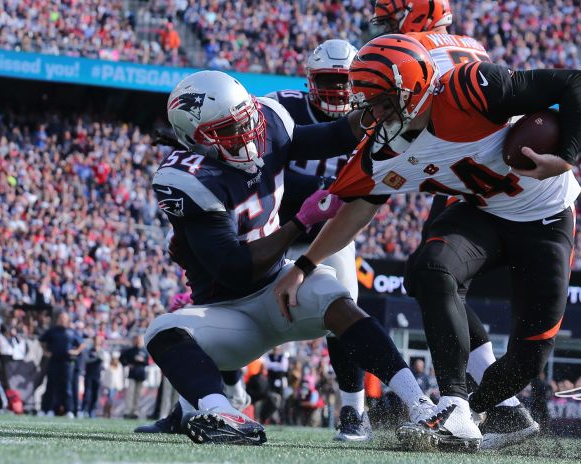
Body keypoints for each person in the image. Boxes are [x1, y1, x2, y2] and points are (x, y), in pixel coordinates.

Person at [274, 34, 581, 450]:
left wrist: (566, 156)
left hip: (547, 219)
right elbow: (356, 208)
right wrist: (304, 266)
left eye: (381, 102)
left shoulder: (471, 89)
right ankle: (454, 406)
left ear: (412, 89)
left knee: (528, 360)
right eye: (367, 103)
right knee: (429, 268)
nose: (373, 114)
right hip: (482, 213)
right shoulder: (381, 150)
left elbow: (576, 82)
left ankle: (486, 412)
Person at [142, 70, 434, 445]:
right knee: (162, 331)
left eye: (247, 120)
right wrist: (301, 222)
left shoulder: (269, 121)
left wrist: (374, 113)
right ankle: (223, 414)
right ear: (197, 139)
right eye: (231, 130)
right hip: (230, 314)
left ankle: (420, 404)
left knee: (337, 299)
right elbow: (236, 269)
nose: (248, 133)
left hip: (279, 290)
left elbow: (331, 135)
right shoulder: (187, 179)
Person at [368, 0, 541, 450]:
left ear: (417, 15)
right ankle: (504, 408)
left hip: (466, 172)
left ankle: (482, 406)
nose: (385, 29)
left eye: (391, 20)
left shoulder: (417, 51)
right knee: (429, 277)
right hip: (475, 169)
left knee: (432, 274)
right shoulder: (470, 45)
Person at [269, 39, 371, 442]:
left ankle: (354, 411)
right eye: (329, 80)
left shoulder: (376, 120)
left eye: (347, 81)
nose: (339, 89)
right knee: (225, 302)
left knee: (345, 315)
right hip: (274, 231)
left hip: (329, 237)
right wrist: (317, 188)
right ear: (311, 80)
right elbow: (256, 167)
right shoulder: (280, 108)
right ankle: (198, 402)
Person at [39, 312, 85, 417]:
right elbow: (41, 341)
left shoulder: (71, 332)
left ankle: (69, 410)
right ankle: (47, 409)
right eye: (60, 318)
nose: (62, 320)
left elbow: (82, 344)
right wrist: (46, 352)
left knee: (67, 387)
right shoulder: (52, 331)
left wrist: (76, 351)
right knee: (50, 385)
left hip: (67, 362)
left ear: (67, 320)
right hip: (54, 361)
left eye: (64, 318)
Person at [120, 335, 149, 419]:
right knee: (130, 394)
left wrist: (142, 360)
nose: (138, 341)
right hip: (132, 374)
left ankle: (135, 412)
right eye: (136, 340)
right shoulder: (130, 350)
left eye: (139, 340)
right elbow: (121, 359)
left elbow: (147, 362)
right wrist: (127, 364)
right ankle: (127, 411)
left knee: (138, 394)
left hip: (141, 374)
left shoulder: (144, 351)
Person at [81, 335, 107, 418]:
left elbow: (103, 360)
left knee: (95, 394)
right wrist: (96, 358)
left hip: (97, 375)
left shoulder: (101, 351)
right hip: (89, 374)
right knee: (87, 393)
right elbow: (86, 360)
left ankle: (91, 410)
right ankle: (84, 410)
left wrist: (98, 354)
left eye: (98, 340)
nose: (97, 342)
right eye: (96, 340)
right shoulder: (89, 350)